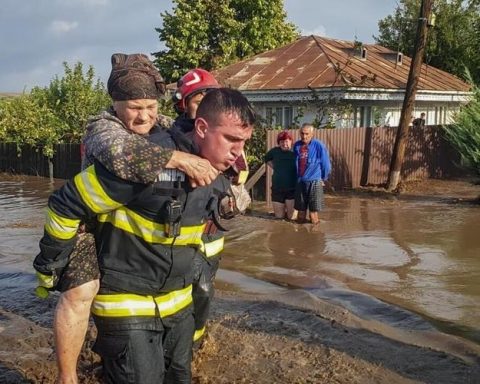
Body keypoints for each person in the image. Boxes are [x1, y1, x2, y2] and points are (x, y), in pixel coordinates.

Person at [34, 86, 256, 384]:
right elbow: (66, 204)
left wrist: (228, 208)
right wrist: (52, 263)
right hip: (127, 304)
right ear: (202, 127)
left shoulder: (219, 170)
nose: (238, 153)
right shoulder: (146, 163)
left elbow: (203, 235)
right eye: (231, 139)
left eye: (243, 142)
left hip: (177, 305)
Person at [173, 68, 250, 344]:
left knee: (204, 289)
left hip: (211, 232)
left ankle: (196, 338)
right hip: (181, 232)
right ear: (185, 105)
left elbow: (238, 177)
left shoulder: (230, 144)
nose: (204, 102)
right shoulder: (173, 141)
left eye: (210, 96)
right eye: (198, 99)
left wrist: (238, 198)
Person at [293, 123, 331, 225]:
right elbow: (295, 163)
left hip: (314, 182)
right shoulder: (297, 145)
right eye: (302, 133)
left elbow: (326, 164)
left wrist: (324, 178)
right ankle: (300, 236)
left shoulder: (318, 145)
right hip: (301, 182)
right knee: (300, 213)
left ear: (312, 134)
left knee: (313, 214)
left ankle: (315, 236)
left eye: (307, 134)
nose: (304, 136)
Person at [264, 130, 297, 220]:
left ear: (291, 141)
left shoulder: (295, 151)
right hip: (277, 188)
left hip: (292, 189)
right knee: (279, 218)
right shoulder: (274, 151)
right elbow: (266, 159)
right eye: (281, 141)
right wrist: (275, 167)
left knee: (292, 218)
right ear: (279, 142)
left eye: (286, 141)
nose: (284, 144)